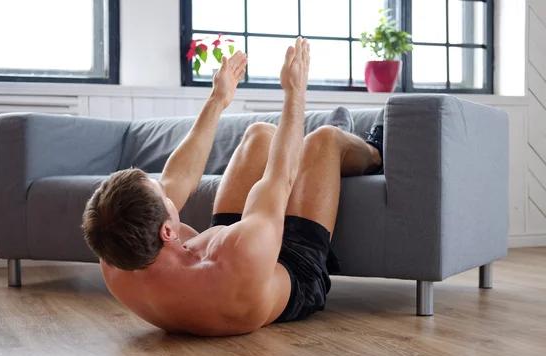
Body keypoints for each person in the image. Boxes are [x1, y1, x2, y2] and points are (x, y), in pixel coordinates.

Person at [81, 38, 383, 336]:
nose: (166, 187)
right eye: (161, 192)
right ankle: (371, 150)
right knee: (323, 140)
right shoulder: (240, 254)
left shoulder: (116, 252)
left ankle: (336, 141)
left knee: (259, 134)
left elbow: (179, 176)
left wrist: (218, 99)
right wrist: (296, 94)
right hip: (290, 270)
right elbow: (280, 178)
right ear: (168, 232)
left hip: (230, 256)